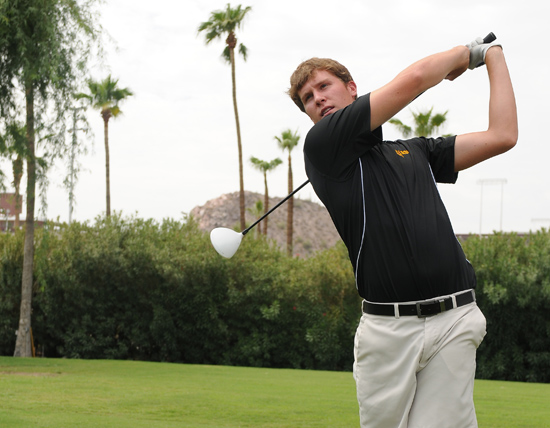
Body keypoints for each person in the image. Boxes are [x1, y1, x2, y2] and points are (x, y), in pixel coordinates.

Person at [288, 36, 517, 428]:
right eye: (308, 98)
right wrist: (469, 53)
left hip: (454, 318)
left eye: (324, 86)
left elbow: (502, 136)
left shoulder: (418, 152)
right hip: (387, 332)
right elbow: (414, 79)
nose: (318, 99)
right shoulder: (322, 148)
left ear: (351, 88)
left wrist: (493, 56)